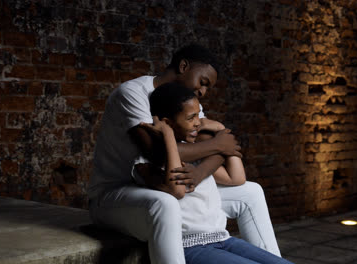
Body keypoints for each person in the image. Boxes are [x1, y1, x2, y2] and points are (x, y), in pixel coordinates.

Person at [88, 44, 280, 264]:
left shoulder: (188, 102)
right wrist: (219, 144)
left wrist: (199, 172)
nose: (203, 92)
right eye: (203, 82)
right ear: (183, 66)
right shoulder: (133, 93)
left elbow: (212, 145)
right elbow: (156, 151)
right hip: (121, 193)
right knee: (165, 202)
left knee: (250, 192)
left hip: (171, 181)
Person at [138, 82, 293, 264]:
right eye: (191, 117)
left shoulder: (196, 153)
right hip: (189, 246)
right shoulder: (148, 164)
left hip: (223, 239)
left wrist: (220, 129)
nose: (198, 122)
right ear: (167, 123)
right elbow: (177, 190)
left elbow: (237, 178)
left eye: (199, 115)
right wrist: (168, 136)